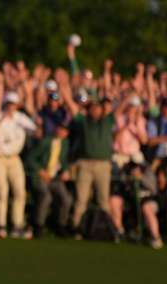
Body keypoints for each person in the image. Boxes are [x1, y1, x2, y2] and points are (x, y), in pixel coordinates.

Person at [0, 90, 37, 239]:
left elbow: (36, 131)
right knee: (2, 190)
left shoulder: (21, 118)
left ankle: (17, 224)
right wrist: (2, 119)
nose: (10, 107)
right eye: (8, 103)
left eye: (13, 104)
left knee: (19, 191)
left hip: (15, 158)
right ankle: (1, 225)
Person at [69, 98, 119, 239]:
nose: (95, 111)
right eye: (93, 108)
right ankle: (76, 228)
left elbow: (121, 108)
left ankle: (107, 228)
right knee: (81, 199)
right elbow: (72, 107)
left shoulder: (107, 121)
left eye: (98, 108)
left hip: (103, 165)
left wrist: (133, 91)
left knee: (103, 199)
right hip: (85, 164)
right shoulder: (84, 122)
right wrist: (64, 89)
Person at [25, 119, 72, 237]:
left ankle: (60, 225)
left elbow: (63, 160)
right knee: (46, 196)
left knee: (66, 199)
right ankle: (38, 226)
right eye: (60, 129)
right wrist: (41, 171)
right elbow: (30, 159)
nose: (62, 132)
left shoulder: (65, 144)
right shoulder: (46, 141)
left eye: (65, 130)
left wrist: (66, 170)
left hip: (54, 178)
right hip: (41, 177)